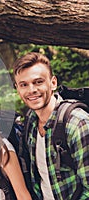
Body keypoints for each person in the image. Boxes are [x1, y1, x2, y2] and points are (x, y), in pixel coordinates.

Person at [12, 52, 89, 199]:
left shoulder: (77, 124)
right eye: (24, 85)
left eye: (38, 82)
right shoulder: (31, 123)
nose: (31, 90)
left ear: (53, 83)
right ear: (17, 88)